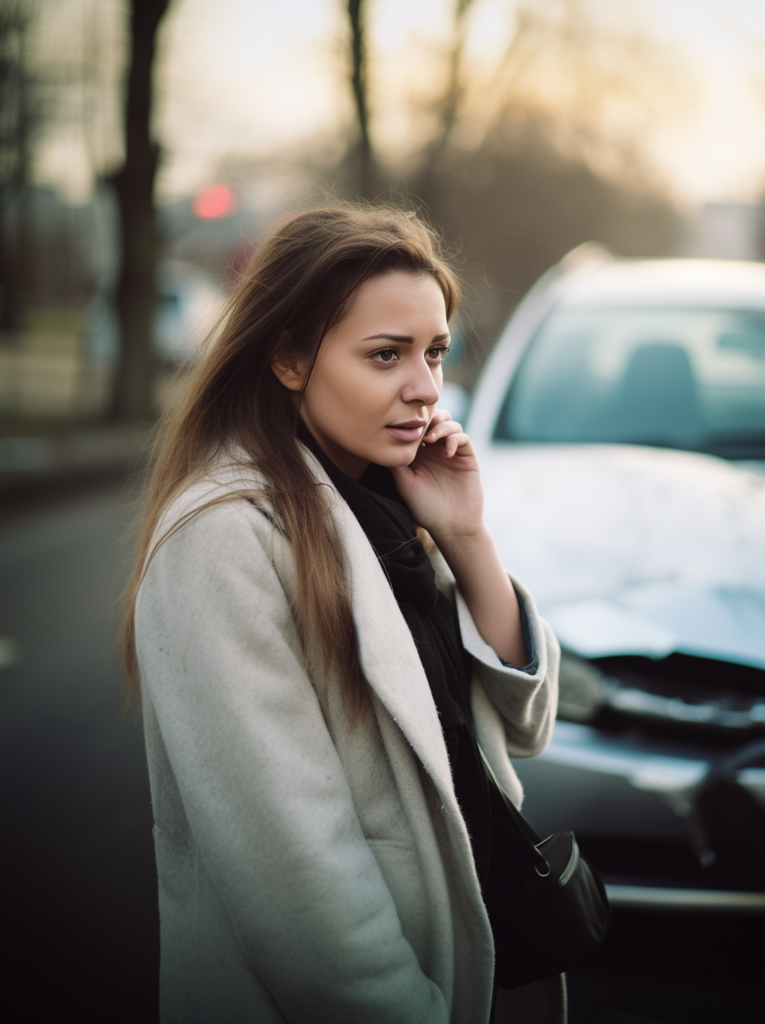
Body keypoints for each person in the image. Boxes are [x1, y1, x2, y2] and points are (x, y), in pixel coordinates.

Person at [122, 205, 563, 1023]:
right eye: (386, 355)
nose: (426, 389)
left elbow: (525, 728)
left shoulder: (387, 507)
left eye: (435, 352)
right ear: (290, 356)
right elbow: (297, 878)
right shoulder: (223, 538)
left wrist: (465, 536)